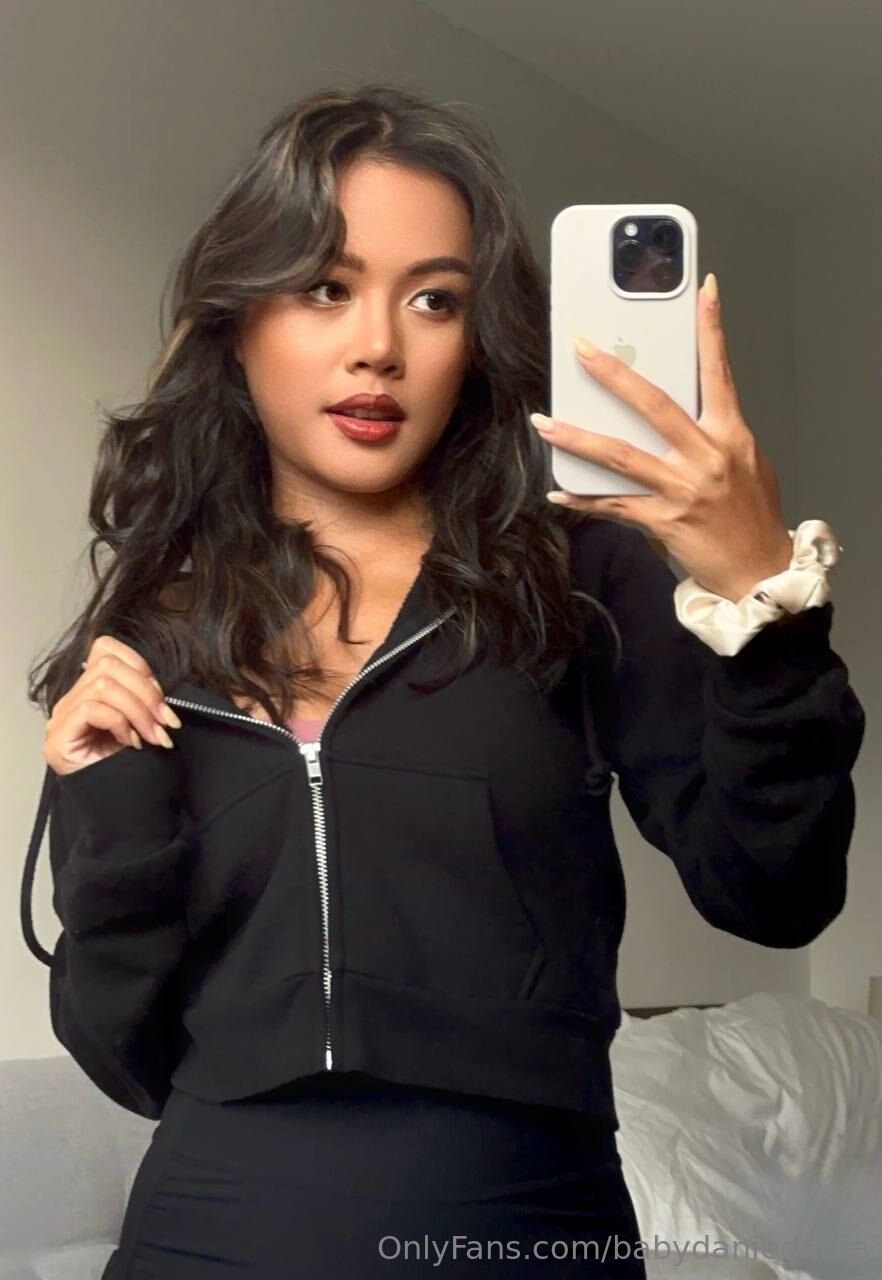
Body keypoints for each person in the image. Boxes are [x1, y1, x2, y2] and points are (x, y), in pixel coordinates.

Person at [21, 82, 864, 1278]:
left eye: (434, 298)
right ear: (239, 317)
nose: (379, 343)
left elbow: (777, 889)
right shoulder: (158, 633)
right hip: (203, 1233)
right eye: (326, 286)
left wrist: (760, 595)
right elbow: (121, 1046)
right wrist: (109, 809)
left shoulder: (575, 575)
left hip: (523, 1224)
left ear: (475, 342)